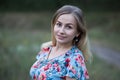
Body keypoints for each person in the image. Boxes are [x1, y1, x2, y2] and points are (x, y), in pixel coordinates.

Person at [30, 5, 92, 80]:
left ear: (78, 32)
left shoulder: (75, 58)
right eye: (59, 24)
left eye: (69, 27)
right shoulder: (46, 49)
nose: (61, 31)